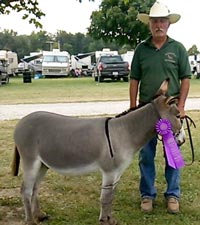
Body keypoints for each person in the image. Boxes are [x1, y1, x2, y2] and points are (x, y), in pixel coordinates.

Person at [129, 1, 191, 214]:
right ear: (149, 24)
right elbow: (134, 79)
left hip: (170, 111)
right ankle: (147, 194)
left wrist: (181, 106)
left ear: (168, 24)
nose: (158, 25)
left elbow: (185, 78)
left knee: (173, 154)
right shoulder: (141, 49)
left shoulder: (178, 48)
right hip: (146, 111)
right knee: (146, 155)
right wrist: (132, 107)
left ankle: (173, 194)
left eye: (162, 21)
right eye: (154, 21)